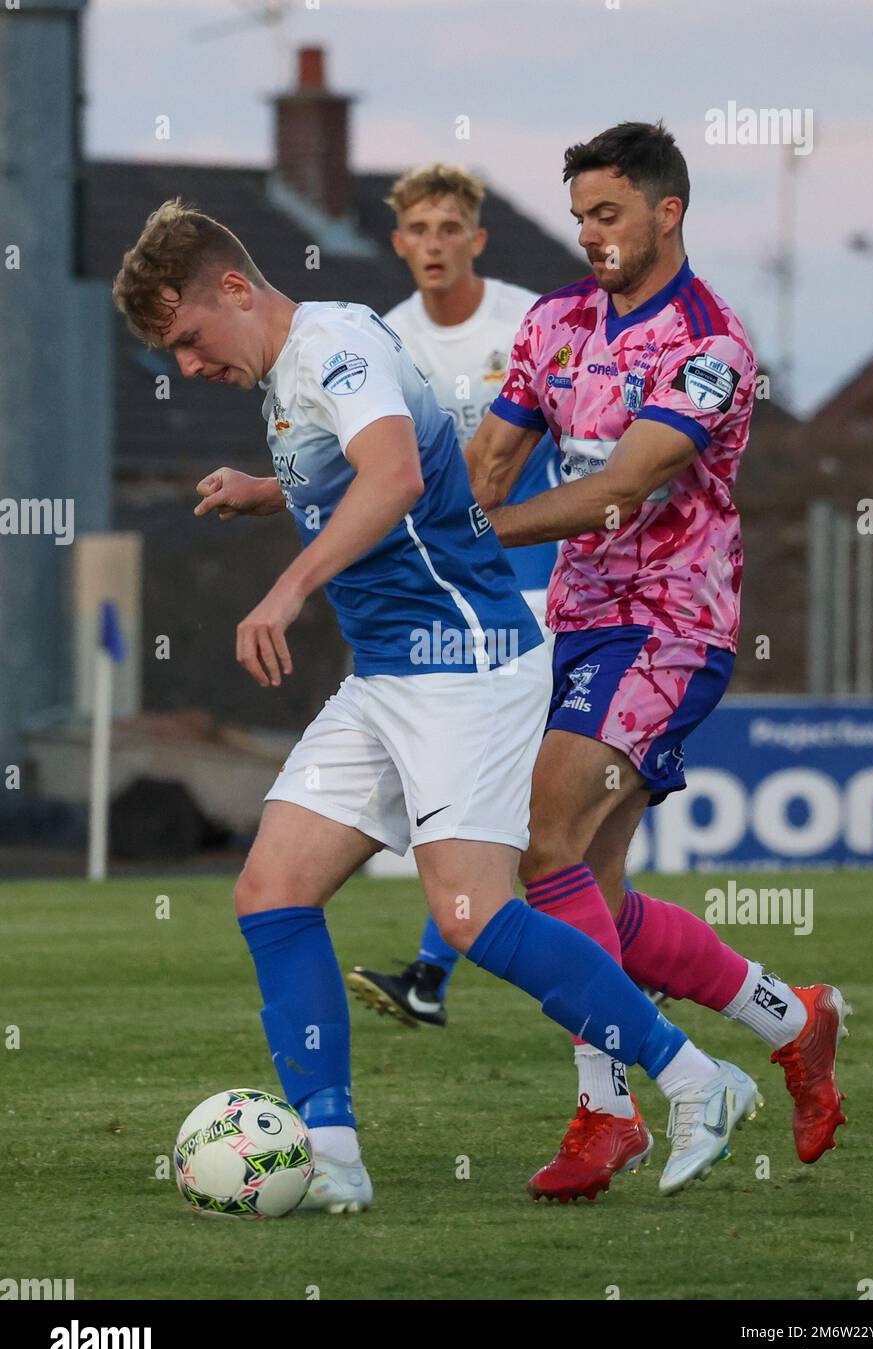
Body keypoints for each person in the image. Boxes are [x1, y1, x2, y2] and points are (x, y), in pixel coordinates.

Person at [112, 197, 760, 1211]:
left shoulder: (332, 343)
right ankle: (332, 1158)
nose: (188, 367)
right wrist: (266, 488)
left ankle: (694, 1079)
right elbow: (363, 467)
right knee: (272, 891)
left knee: (469, 916)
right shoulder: (300, 368)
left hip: (465, 663)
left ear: (235, 288)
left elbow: (399, 474)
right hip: (388, 675)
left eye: (189, 339)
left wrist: (288, 587)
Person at [460, 121, 849, 1203]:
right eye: (581, 214)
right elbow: (487, 462)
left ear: (667, 212)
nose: (589, 234)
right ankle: (792, 1015)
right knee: (597, 898)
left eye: (609, 214)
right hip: (580, 624)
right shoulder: (553, 325)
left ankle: (611, 1112)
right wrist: (384, 514)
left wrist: (480, 535)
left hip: (673, 623)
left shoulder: (711, 345)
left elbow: (618, 489)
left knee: (542, 847)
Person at [345, 162, 562, 1028]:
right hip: (444, 599)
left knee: (521, 804)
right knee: (505, 804)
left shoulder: (526, 320)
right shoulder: (387, 340)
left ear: (475, 238)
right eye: (419, 232)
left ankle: (438, 974)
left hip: (537, 586)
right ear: (399, 245)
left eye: (449, 229)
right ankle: (446, 972)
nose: (434, 245)